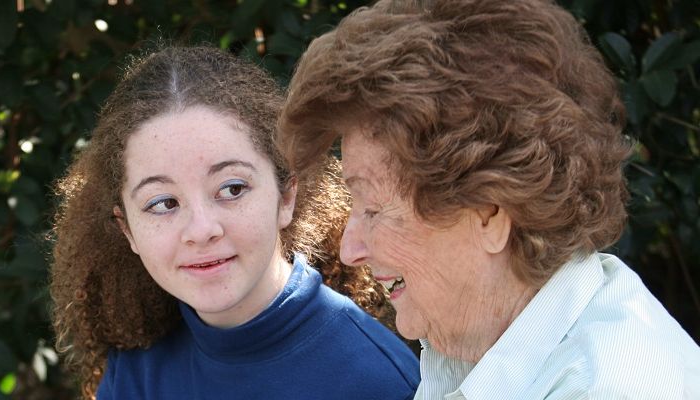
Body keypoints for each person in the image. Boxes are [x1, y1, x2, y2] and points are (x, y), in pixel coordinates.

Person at [277, 0, 700, 398]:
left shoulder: (603, 387)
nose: (350, 251)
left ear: (489, 216)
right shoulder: (477, 338)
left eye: (373, 209)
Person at [49, 46, 420, 400]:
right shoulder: (136, 370)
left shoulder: (378, 381)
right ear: (127, 229)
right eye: (163, 203)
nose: (201, 229)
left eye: (232, 188)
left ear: (286, 195)